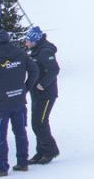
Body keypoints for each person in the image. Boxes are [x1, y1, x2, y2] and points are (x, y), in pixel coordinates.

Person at [0, 30, 38, 175]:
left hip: (0, 104)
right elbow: (34, 71)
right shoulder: (20, 53)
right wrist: (24, 88)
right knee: (20, 133)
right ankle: (23, 162)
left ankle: (2, 168)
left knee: (0, 136)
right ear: (9, 40)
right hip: (18, 102)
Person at [24, 27, 59, 165]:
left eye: (28, 40)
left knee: (39, 123)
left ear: (35, 41)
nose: (26, 42)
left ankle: (50, 151)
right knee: (37, 122)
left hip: (46, 94)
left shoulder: (44, 51)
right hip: (36, 93)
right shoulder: (35, 50)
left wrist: (42, 84)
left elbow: (54, 69)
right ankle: (41, 151)